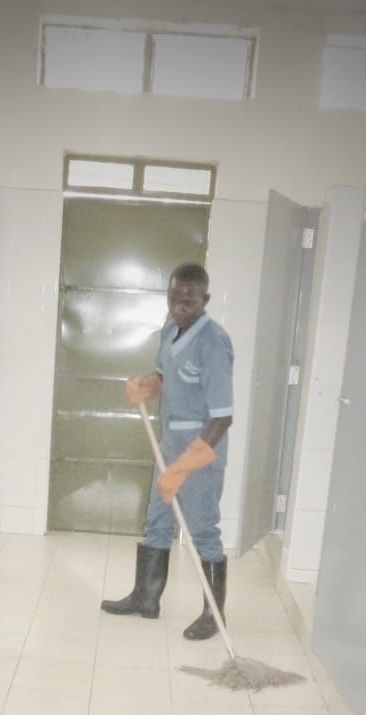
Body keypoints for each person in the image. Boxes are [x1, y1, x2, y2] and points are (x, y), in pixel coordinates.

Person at [101, 263, 233, 639]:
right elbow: (164, 375)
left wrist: (184, 467)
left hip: (201, 452)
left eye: (188, 301)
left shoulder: (214, 344)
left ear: (205, 299)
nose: (179, 307)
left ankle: (213, 615)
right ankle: (146, 597)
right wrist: (147, 386)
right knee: (157, 520)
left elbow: (223, 417)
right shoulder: (170, 329)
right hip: (169, 444)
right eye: (174, 299)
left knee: (203, 530)